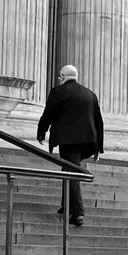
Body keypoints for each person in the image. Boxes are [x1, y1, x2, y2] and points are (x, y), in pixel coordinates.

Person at [36, 64, 103, 227]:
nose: (59, 79)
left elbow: (49, 113)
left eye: (60, 77)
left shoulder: (58, 92)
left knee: (72, 172)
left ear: (63, 76)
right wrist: (99, 147)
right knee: (68, 168)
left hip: (68, 140)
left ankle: (77, 213)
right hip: (87, 142)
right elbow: (98, 121)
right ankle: (65, 205)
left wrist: (41, 132)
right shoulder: (90, 94)